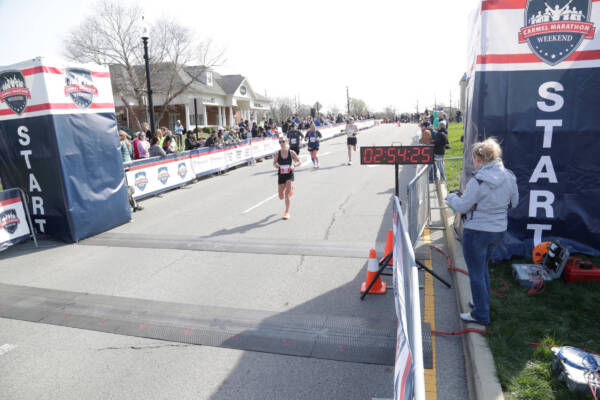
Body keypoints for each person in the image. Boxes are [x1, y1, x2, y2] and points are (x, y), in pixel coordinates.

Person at [445, 138, 519, 325]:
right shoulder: (509, 177)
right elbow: (514, 202)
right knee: (482, 269)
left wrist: (451, 197)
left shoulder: (477, 182)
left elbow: (462, 206)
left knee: (476, 273)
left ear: (479, 158)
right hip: (498, 231)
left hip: (476, 232)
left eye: (474, 159)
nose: (474, 163)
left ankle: (480, 314)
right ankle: (480, 303)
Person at [273, 137, 301, 220]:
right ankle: (290, 188)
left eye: (283, 141)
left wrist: (294, 165)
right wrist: (276, 165)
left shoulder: (291, 152)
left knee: (287, 194)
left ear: (287, 142)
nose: (281, 143)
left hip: (289, 174)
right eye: (280, 142)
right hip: (281, 175)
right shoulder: (277, 153)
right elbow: (274, 163)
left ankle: (287, 212)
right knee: (281, 196)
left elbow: (299, 161)